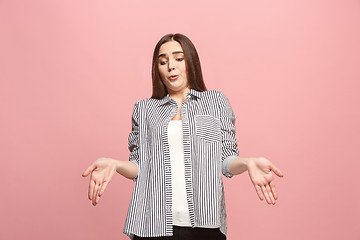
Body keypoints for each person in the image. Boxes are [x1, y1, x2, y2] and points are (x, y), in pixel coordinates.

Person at [82, 33, 284, 240]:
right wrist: (114, 164)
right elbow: (140, 166)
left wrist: (248, 163)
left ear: (191, 62)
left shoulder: (215, 101)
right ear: (157, 68)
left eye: (179, 58)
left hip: (205, 224)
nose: (171, 66)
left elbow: (225, 159)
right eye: (163, 61)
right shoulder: (144, 109)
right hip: (153, 223)